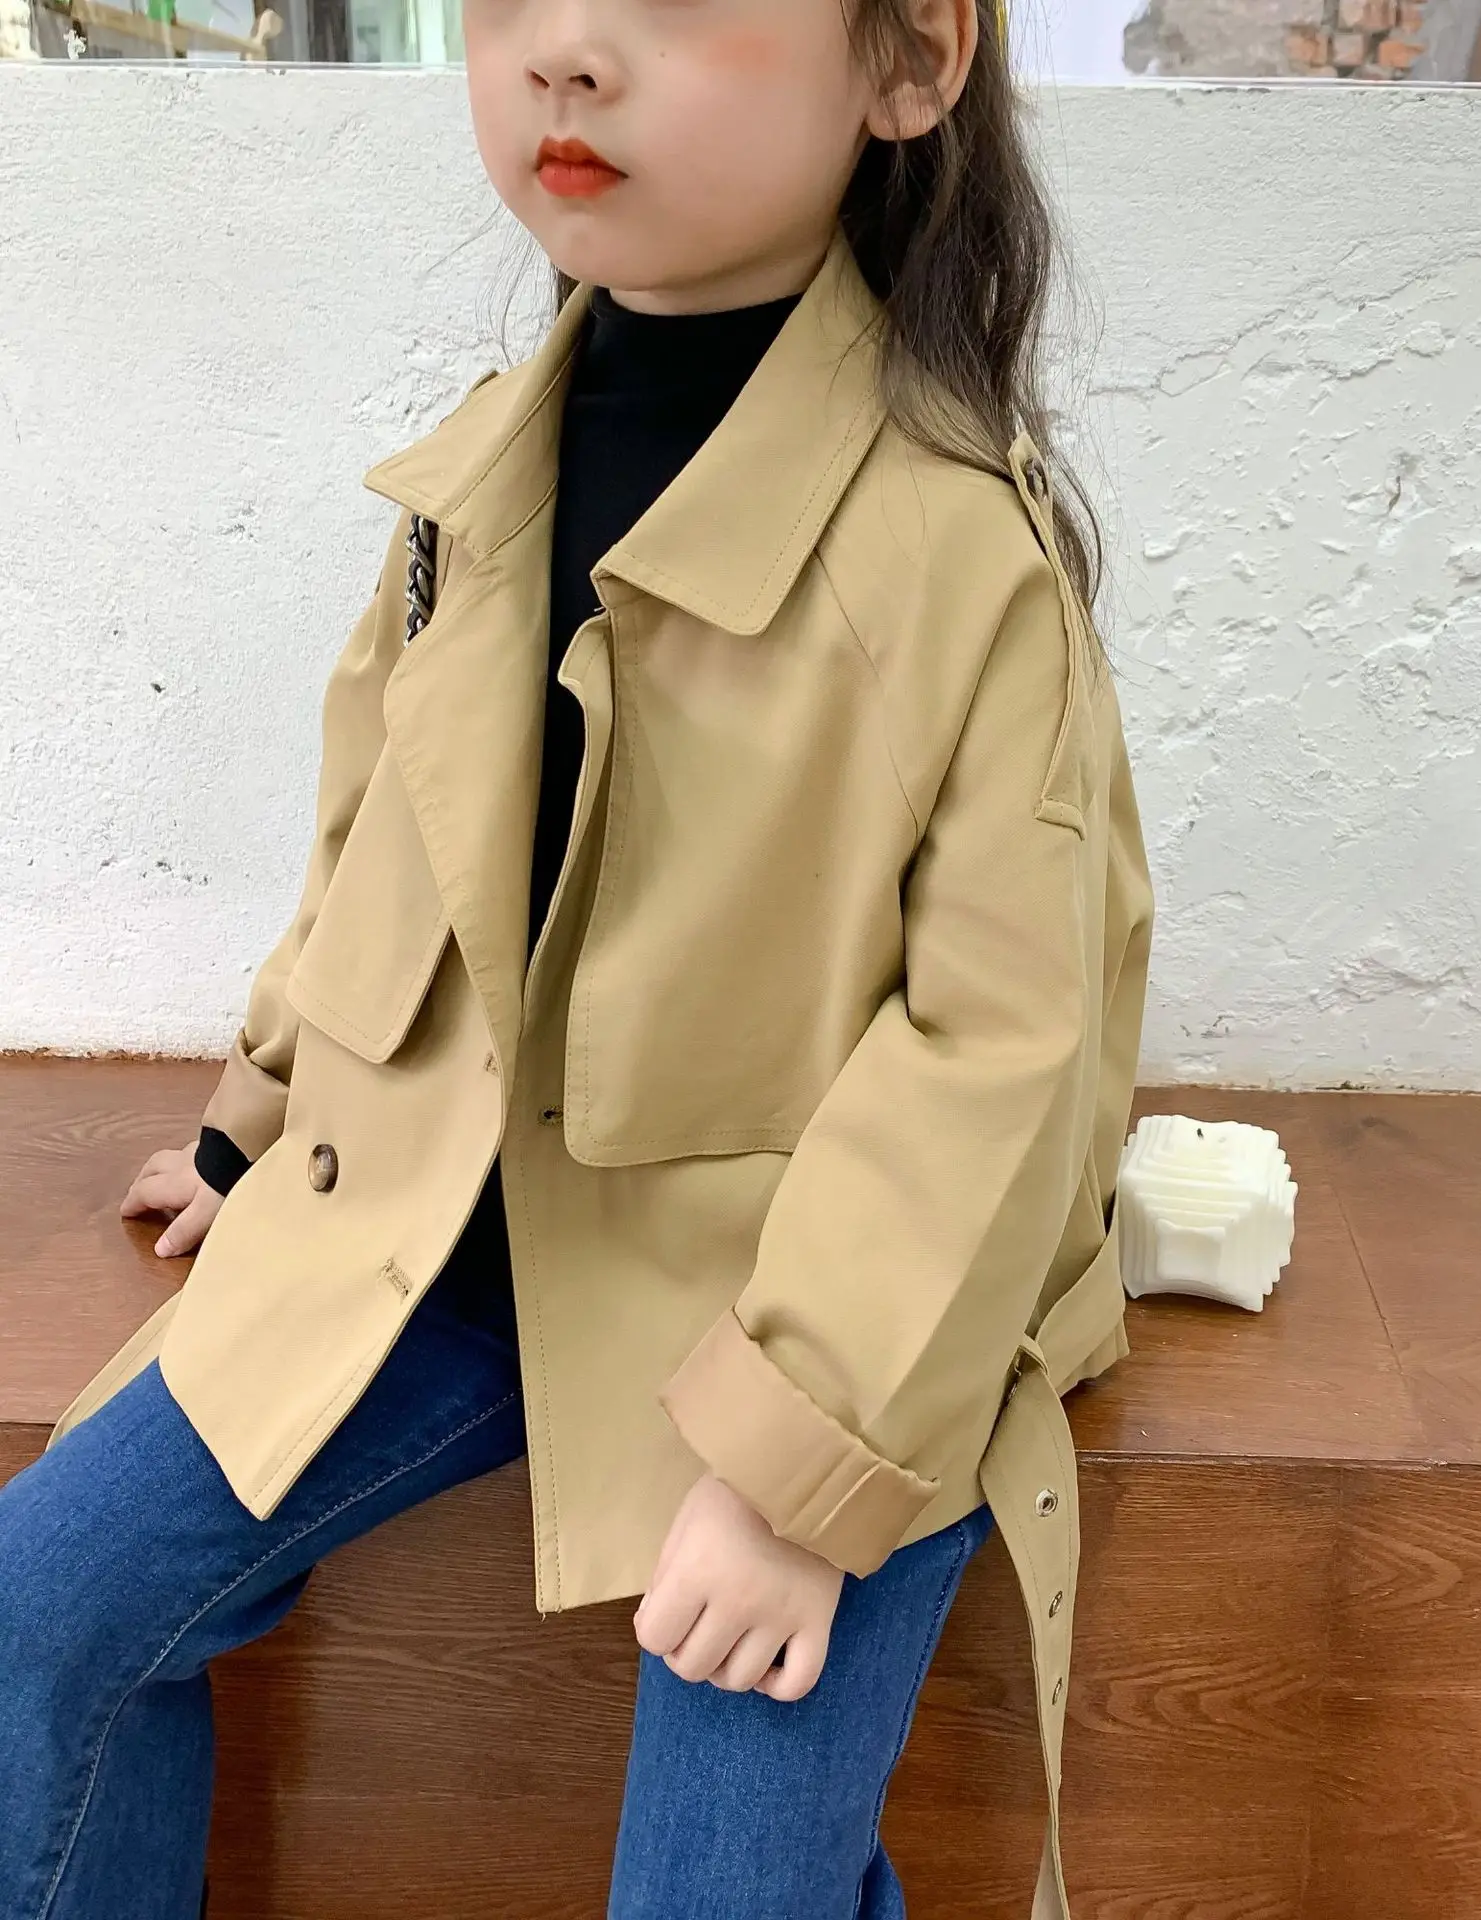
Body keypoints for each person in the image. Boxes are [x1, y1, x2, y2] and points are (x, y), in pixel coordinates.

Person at [0, 1, 1153, 1914]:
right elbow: (382, 839)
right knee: (37, 1613)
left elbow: (1001, 1057)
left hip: (799, 1307)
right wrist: (254, 1124)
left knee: (726, 1881)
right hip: (448, 1233)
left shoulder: (964, 559)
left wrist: (801, 1474)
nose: (570, 52)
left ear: (911, 63)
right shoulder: (480, 479)